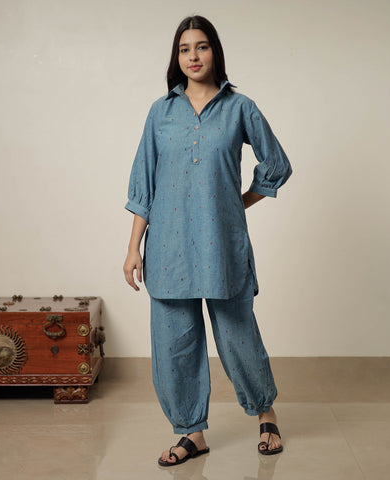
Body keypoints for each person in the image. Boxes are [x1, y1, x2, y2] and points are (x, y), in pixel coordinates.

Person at [123, 15, 292, 466]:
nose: (193, 56)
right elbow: (144, 184)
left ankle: (266, 414)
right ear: (176, 57)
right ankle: (190, 433)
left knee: (238, 337)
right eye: (184, 49)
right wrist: (133, 247)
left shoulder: (240, 108)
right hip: (169, 247)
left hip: (221, 245)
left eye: (201, 46)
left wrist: (237, 204)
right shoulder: (160, 112)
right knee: (175, 344)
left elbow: (276, 165)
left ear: (214, 51)